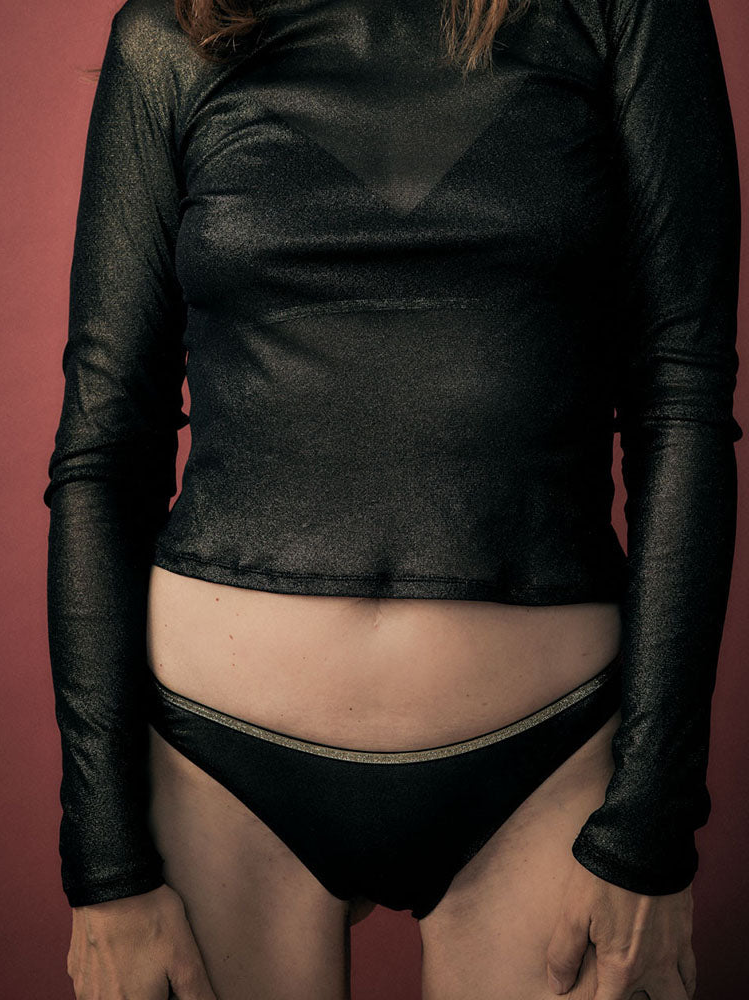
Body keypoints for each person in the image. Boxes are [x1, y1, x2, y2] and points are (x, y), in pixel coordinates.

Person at [43, 0, 743, 997]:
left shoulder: (621, 13)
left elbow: (683, 404)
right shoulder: (168, 36)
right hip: (216, 770)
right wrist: (105, 861)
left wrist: (649, 832)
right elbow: (105, 449)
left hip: (550, 763)